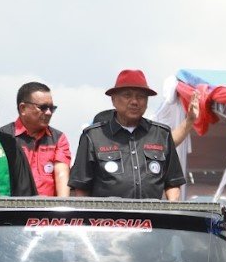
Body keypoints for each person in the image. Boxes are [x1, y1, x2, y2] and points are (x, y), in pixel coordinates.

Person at [70, 70, 185, 200]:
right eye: (127, 95)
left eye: (141, 97)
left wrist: (171, 212)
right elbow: (82, 186)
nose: (134, 101)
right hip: (107, 219)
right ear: (113, 100)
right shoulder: (93, 136)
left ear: (147, 102)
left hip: (153, 217)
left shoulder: (162, 134)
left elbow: (173, 182)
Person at [0, 81, 71, 197]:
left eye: (52, 108)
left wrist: (63, 209)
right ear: (23, 108)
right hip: (13, 210)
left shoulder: (59, 138)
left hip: (48, 212)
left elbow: (62, 175)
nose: (48, 113)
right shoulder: (1, 137)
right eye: (43, 107)